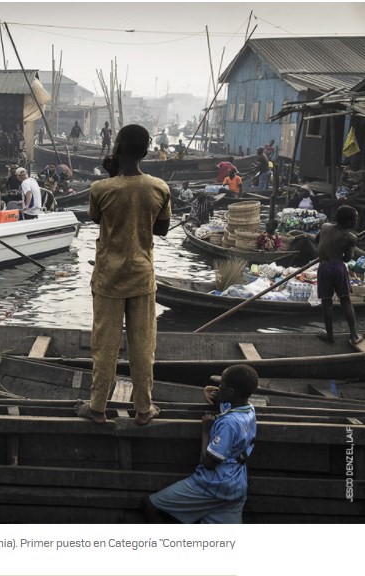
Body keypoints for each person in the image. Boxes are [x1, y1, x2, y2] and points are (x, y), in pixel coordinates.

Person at [76, 124, 171, 426]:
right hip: (142, 276)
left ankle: (97, 407)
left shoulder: (100, 189)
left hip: (108, 278)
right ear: (145, 152)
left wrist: (112, 176)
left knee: (104, 346)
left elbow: (95, 217)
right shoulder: (159, 188)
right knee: (143, 346)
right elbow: (162, 229)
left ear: (116, 148)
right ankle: (144, 409)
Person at [144, 364, 259, 524]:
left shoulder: (228, 423)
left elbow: (209, 462)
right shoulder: (249, 411)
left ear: (231, 391)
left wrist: (206, 430)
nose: (218, 387)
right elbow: (229, 405)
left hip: (214, 485)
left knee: (151, 505)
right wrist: (210, 391)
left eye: (221, 385)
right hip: (236, 486)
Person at [315, 205, 365, 346]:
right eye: (355, 219)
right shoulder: (351, 237)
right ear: (349, 222)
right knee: (346, 301)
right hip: (337, 267)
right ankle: (354, 335)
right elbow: (348, 259)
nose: (357, 221)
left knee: (326, 302)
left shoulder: (325, 227)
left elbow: (317, 241)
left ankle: (329, 335)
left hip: (324, 267)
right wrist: (352, 245)